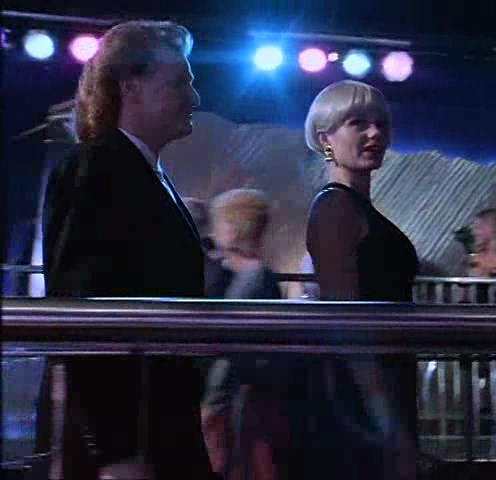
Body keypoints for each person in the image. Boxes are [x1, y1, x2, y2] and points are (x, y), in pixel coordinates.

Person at [38, 20, 214, 480]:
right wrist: (114, 451)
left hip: (157, 423)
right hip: (132, 438)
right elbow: (81, 311)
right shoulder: (96, 166)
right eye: (179, 83)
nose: (194, 97)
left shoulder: (142, 172)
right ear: (130, 88)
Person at [304, 80, 418, 479]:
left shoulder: (348, 207)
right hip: (362, 393)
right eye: (358, 123)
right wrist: (386, 421)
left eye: (381, 123)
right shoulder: (334, 208)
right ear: (326, 139)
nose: (375, 134)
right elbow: (345, 320)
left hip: (381, 380)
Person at [200, 189, 293, 480]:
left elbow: (231, 351)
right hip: (251, 399)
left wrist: (211, 405)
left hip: (243, 405)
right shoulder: (257, 275)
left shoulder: (252, 279)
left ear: (232, 227)